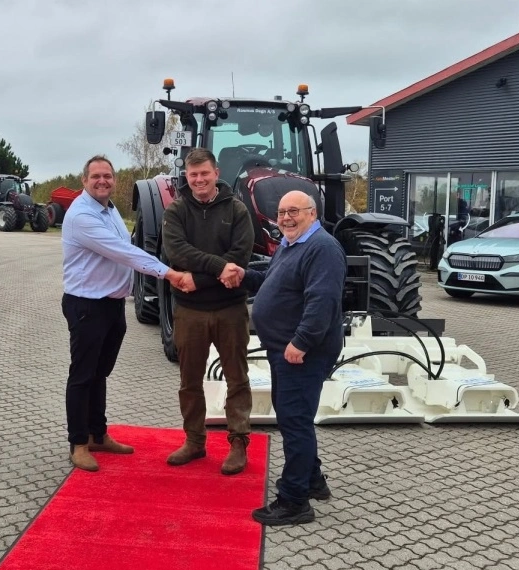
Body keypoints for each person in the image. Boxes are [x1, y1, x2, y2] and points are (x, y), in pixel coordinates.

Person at [219, 190, 346, 525]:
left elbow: (323, 301)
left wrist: (301, 342)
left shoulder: (322, 248)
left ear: (312, 213)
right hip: (285, 350)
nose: (286, 218)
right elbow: (272, 282)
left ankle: (294, 501)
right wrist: (245, 275)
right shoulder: (292, 245)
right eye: (281, 213)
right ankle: (313, 480)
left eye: (294, 211)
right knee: (295, 416)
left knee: (294, 421)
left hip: (302, 353)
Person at [62, 154, 194, 472]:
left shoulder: (110, 210)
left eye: (107, 176)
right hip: (87, 306)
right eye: (96, 176)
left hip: (112, 305)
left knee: (100, 374)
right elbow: (124, 252)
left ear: (114, 180)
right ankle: (78, 443)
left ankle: (98, 434)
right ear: (84, 180)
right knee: (82, 376)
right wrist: (168, 273)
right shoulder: (82, 215)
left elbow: (127, 247)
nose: (102, 181)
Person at [160, 148, 255, 475]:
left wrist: (198, 280)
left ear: (216, 174)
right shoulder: (176, 211)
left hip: (230, 309)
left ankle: (239, 442)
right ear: (187, 177)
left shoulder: (237, 209)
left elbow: (240, 258)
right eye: (193, 175)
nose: (199, 180)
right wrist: (218, 268)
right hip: (190, 312)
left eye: (204, 173)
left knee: (237, 378)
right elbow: (177, 252)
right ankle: (194, 441)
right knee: (189, 381)